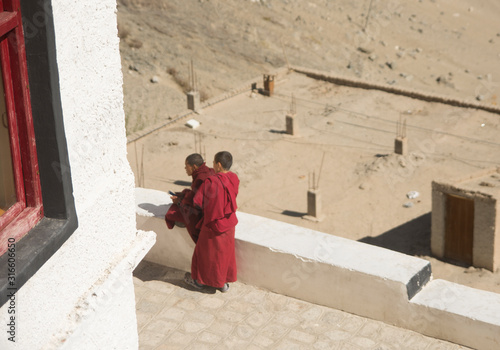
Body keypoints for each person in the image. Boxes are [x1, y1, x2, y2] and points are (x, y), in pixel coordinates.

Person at [184, 151, 239, 293]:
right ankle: (222, 284)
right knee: (223, 256)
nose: (212, 165)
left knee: (202, 255)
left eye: (214, 163)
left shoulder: (211, 181)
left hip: (212, 225)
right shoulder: (234, 178)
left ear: (219, 165)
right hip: (229, 225)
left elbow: (198, 202)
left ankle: (199, 282)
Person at [165, 153, 214, 243]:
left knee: (170, 214)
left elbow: (196, 203)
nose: (185, 169)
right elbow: (196, 194)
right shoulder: (209, 170)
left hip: (204, 214)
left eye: (186, 166)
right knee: (184, 192)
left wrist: (179, 202)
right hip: (207, 206)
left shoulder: (200, 179)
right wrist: (184, 196)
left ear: (194, 167)